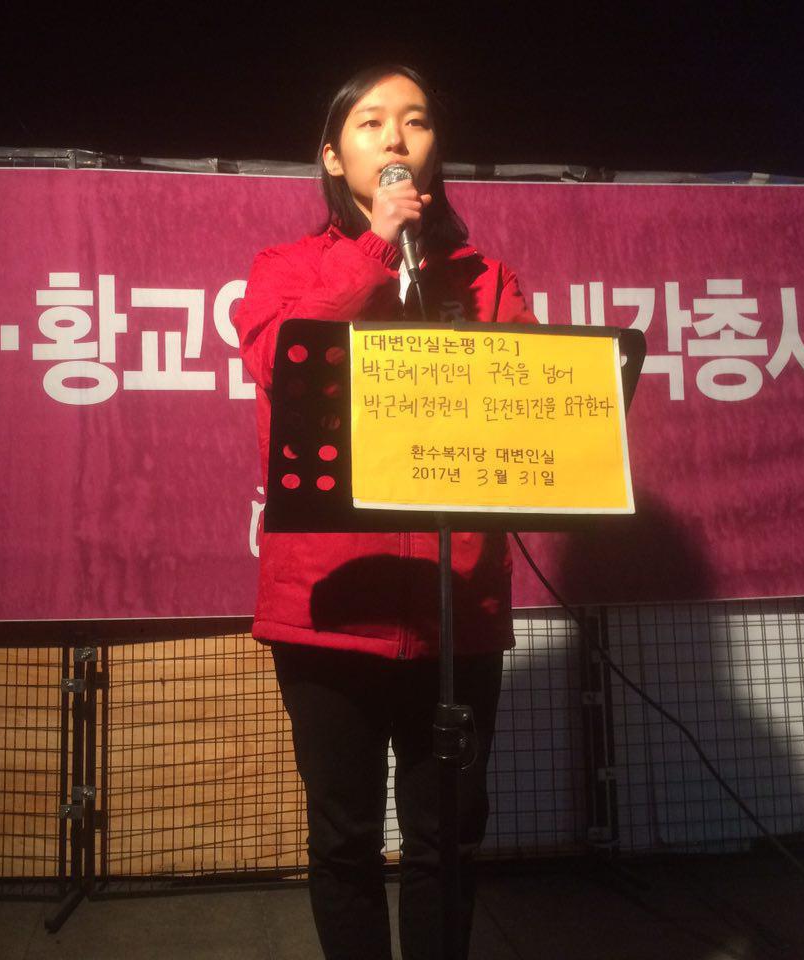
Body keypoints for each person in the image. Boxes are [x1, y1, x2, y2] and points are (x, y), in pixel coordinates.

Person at [231, 64, 533, 960]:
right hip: (331, 610)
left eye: (416, 121)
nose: (396, 138)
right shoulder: (284, 267)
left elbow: (527, 412)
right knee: (345, 841)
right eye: (370, 122)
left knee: (449, 841)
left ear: (436, 151)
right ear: (333, 155)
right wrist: (374, 249)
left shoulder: (487, 280)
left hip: (456, 608)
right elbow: (282, 361)